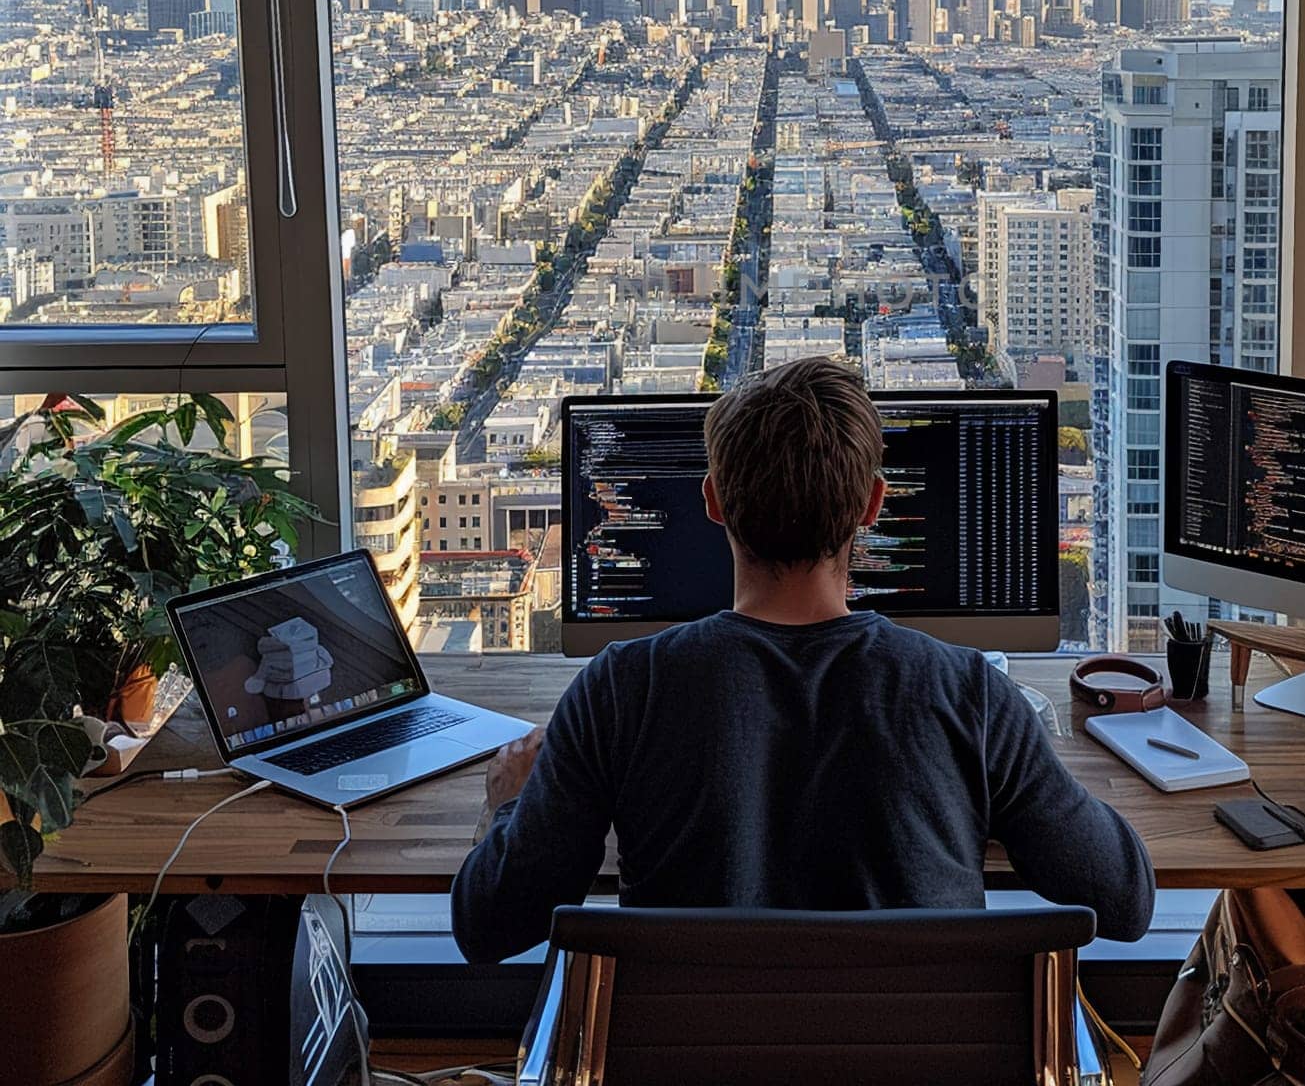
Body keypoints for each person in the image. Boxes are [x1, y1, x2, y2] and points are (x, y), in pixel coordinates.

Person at [451, 357, 1155, 963]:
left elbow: (489, 927)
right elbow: (1124, 900)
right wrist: (986, 787)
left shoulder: (619, 691)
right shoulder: (969, 695)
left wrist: (509, 804)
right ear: (873, 505)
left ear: (713, 501)